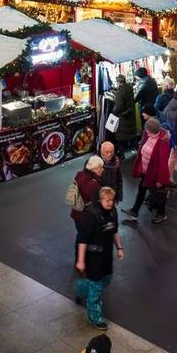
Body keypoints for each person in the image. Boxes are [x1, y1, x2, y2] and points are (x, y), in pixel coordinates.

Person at [74, 186, 123, 330]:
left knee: (105, 280)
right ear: (100, 200)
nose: (110, 203)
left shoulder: (112, 212)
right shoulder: (91, 215)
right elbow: (82, 239)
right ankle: (94, 317)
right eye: (107, 200)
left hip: (106, 256)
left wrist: (119, 248)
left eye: (112, 200)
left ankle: (81, 287)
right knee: (96, 289)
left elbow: (114, 231)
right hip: (93, 258)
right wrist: (81, 260)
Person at [123, 118, 171, 225]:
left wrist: (160, 180)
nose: (146, 132)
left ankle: (161, 214)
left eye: (148, 131)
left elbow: (163, 163)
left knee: (157, 195)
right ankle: (134, 211)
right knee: (142, 190)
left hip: (154, 174)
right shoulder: (149, 136)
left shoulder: (162, 142)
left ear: (153, 131)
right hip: (147, 172)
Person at [70, 156, 105, 229]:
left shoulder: (80, 174)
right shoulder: (94, 185)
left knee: (81, 233)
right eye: (101, 167)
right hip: (87, 217)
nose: (103, 169)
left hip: (76, 212)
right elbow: (97, 205)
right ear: (95, 168)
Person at [108, 74, 137, 157]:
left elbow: (119, 106)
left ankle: (122, 157)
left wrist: (113, 113)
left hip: (123, 118)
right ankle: (139, 154)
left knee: (120, 139)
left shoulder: (120, 92)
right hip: (130, 115)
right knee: (132, 137)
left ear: (118, 82)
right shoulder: (130, 89)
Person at [98, 141, 123, 206]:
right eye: (107, 152)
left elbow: (119, 180)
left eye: (111, 152)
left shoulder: (116, 162)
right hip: (99, 197)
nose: (109, 154)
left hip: (111, 196)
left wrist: (118, 197)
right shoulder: (95, 161)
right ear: (102, 152)